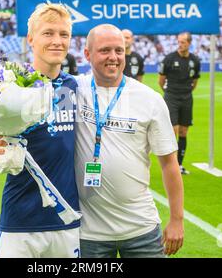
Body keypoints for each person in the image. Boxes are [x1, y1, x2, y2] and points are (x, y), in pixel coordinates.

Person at [0, 3, 80, 258]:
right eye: (48, 33)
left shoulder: (74, 86)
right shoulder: (9, 84)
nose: (57, 41)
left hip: (67, 220)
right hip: (19, 222)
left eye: (64, 34)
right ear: (30, 38)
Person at [75, 24, 184, 258]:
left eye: (119, 50)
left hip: (140, 228)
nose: (113, 57)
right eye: (105, 50)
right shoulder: (72, 91)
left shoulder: (150, 99)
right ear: (87, 54)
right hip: (87, 233)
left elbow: (169, 163)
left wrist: (176, 219)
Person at [158, 32, 201, 175]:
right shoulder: (169, 58)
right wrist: (170, 92)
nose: (180, 44)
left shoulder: (194, 60)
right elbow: (161, 80)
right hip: (171, 97)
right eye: (179, 41)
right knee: (173, 130)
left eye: (183, 42)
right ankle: (172, 165)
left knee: (183, 131)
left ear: (189, 43)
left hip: (187, 98)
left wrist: (186, 92)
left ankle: (180, 165)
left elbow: (195, 81)